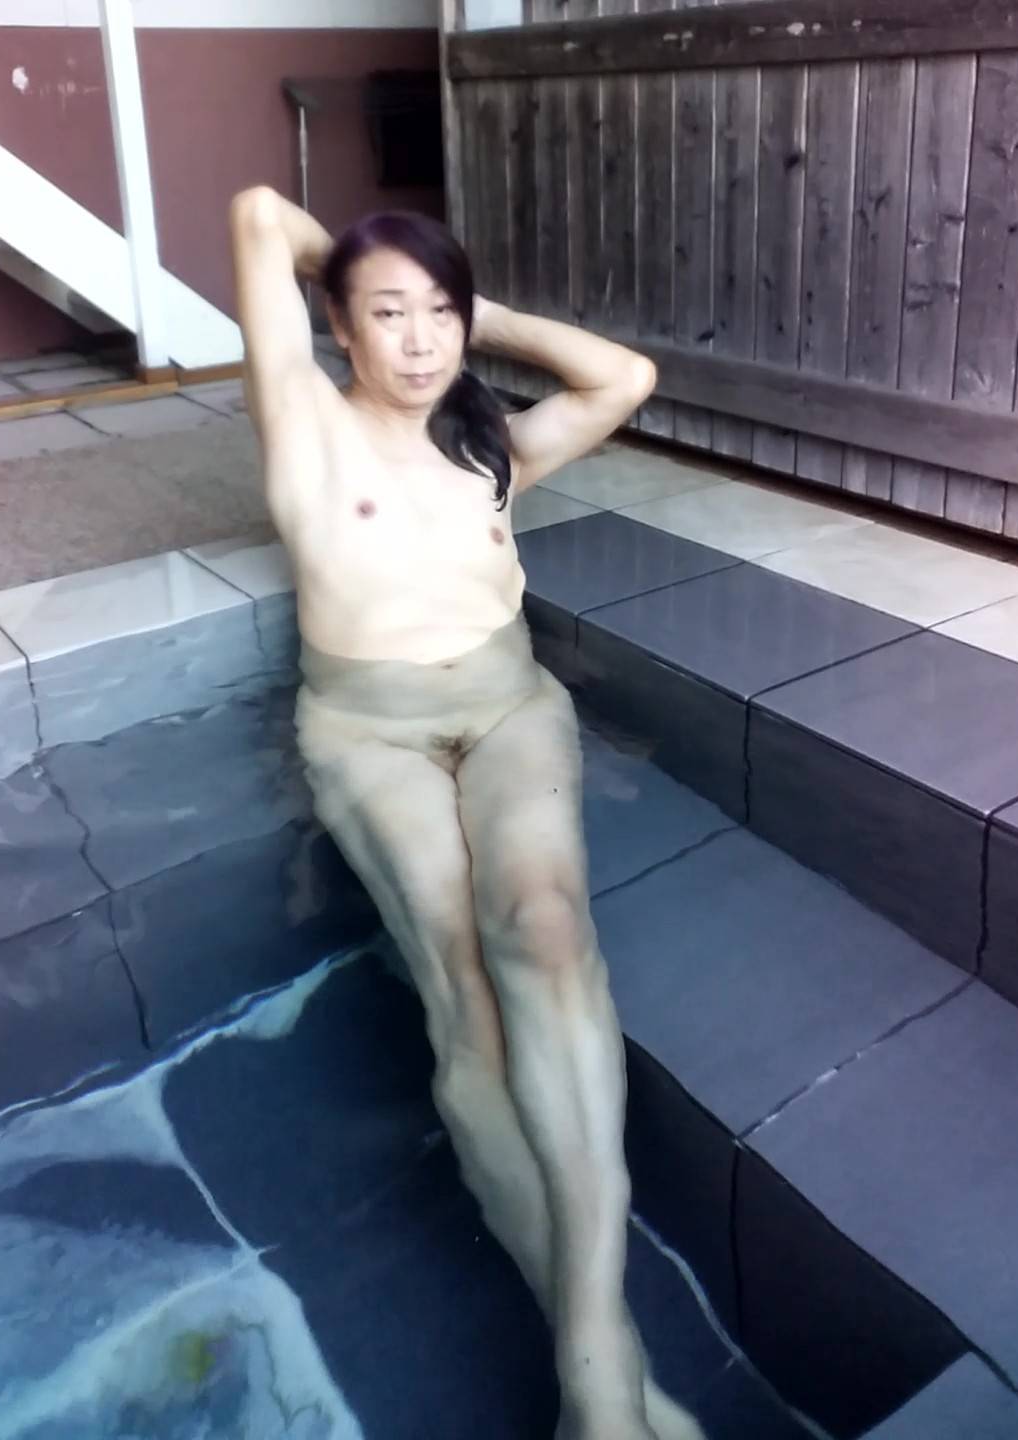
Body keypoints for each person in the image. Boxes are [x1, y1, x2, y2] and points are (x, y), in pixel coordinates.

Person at [229, 186, 704, 1440]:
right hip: (367, 732)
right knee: (466, 993)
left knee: (543, 931)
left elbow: (624, 377)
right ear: (338, 326)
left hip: (508, 712)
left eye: (441, 314)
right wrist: (363, 269)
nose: (420, 339)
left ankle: (593, 1359)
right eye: (389, 316)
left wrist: (460, 307)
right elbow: (260, 214)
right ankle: (609, 1375)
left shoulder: (490, 446)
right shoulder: (304, 423)